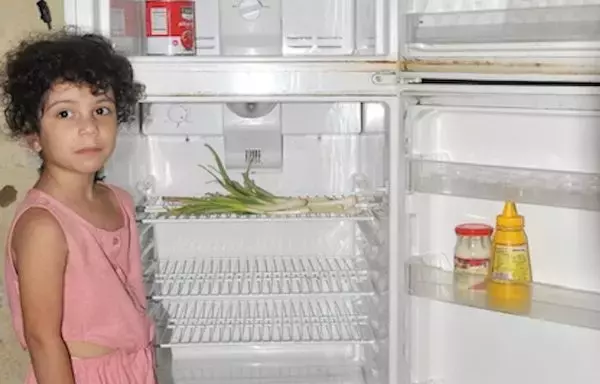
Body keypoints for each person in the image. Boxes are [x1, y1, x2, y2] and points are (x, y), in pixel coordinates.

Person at [1, 30, 156, 384]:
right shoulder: (44, 226)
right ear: (33, 135)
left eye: (101, 109)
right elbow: (43, 340)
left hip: (131, 369)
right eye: (65, 113)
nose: (89, 127)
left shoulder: (119, 200)